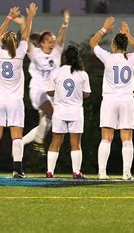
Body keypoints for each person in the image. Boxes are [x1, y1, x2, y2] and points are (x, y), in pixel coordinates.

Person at [0, 3, 37, 179]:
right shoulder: (19, 54)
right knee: (17, 137)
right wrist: (30, 16)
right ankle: (17, 169)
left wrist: (9, 17)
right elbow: (26, 35)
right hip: (15, 101)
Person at [89, 17, 134, 180]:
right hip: (127, 101)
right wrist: (128, 34)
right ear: (125, 45)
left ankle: (102, 172)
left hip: (110, 101)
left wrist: (104, 28)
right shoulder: (131, 58)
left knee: (106, 137)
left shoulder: (108, 57)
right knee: (127, 138)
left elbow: (92, 43)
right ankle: (127, 173)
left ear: (113, 45)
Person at [22, 10, 70, 154]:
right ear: (42, 43)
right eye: (49, 42)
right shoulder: (35, 53)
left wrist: (65, 23)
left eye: (53, 42)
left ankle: (20, 144)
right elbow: (25, 38)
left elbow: (61, 37)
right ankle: (38, 142)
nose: (52, 44)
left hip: (52, 93)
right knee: (51, 113)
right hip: (38, 90)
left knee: (46, 124)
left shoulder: (56, 52)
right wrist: (28, 19)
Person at [46, 45, 91, 179]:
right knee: (76, 143)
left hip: (59, 112)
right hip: (76, 112)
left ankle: (50, 171)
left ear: (64, 57)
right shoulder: (82, 74)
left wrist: (59, 92)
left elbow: (49, 91)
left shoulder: (56, 72)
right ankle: (76, 172)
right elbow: (87, 94)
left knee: (55, 142)